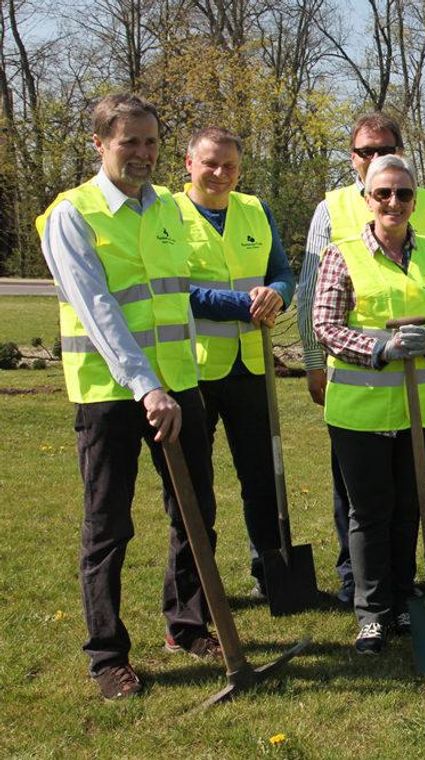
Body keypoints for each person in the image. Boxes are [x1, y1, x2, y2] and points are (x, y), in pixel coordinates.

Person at [36, 94, 221, 700]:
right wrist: (147, 387)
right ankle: (107, 656)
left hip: (180, 385)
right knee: (108, 527)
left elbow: (176, 296)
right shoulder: (73, 215)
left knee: (195, 514)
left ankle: (189, 626)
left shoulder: (167, 207)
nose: (143, 154)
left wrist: (174, 385)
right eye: (129, 142)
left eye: (151, 142)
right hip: (111, 395)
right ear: (99, 144)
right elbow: (98, 311)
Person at [296, 113, 425, 606]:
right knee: (365, 509)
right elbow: (320, 312)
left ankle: (402, 597)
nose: (394, 201)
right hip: (359, 403)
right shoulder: (338, 232)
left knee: (409, 508)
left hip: (419, 405)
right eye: (383, 193)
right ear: (364, 189)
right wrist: (365, 351)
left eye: (402, 194)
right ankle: (366, 600)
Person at [173, 127, 295, 598]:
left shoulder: (256, 209)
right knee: (194, 490)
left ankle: (271, 575)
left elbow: (282, 273)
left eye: (230, 166)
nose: (220, 173)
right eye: (210, 164)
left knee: (262, 479)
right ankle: (197, 590)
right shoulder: (168, 212)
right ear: (189, 163)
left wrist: (276, 295)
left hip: (252, 366)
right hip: (196, 368)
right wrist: (243, 304)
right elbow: (175, 289)